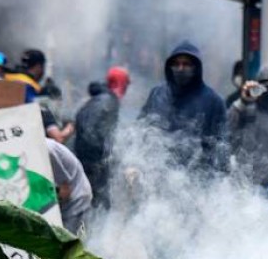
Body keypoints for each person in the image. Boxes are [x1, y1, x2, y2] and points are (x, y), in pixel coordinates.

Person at [141, 40, 229, 173]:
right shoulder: (158, 94)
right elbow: (142, 129)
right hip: (159, 175)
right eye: (176, 64)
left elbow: (220, 145)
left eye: (186, 64)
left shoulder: (213, 101)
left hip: (197, 179)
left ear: (196, 68)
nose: (180, 68)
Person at [73, 66, 129, 208]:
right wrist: (101, 157)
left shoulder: (102, 98)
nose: (127, 88)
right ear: (120, 82)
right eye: (126, 83)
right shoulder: (107, 101)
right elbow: (88, 128)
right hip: (92, 165)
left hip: (91, 163)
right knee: (96, 206)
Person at [46, 137, 93, 235]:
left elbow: (65, 191)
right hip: (63, 200)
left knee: (74, 243)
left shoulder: (47, 150)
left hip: (77, 200)